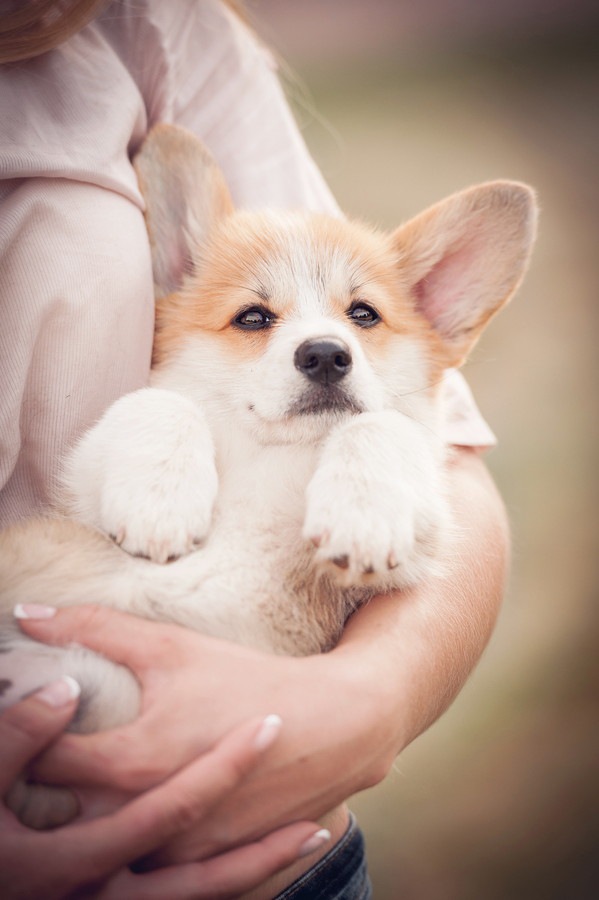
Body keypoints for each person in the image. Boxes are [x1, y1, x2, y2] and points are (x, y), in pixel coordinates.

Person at [0, 1, 509, 896]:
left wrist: (367, 706)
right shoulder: (167, 413)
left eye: (360, 315)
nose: (321, 345)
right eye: (254, 317)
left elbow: (439, 492)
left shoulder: (139, 22)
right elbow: (116, 462)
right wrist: (168, 430)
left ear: (431, 325)